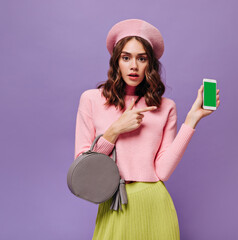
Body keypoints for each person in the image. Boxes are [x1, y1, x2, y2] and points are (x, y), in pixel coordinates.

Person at [74, 19, 220, 240]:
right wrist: (114, 130)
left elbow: (162, 171)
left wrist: (192, 120)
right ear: (116, 61)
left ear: (149, 64)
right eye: (126, 57)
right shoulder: (92, 100)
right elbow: (82, 167)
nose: (134, 66)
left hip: (155, 206)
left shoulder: (165, 107)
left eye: (141, 58)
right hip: (116, 204)